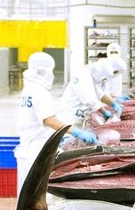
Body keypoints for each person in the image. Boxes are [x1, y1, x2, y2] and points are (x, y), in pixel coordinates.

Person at [15, 52, 90, 190]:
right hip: (36, 152)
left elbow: (39, 120)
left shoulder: (29, 88)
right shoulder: (40, 92)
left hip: (28, 148)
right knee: (34, 194)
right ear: (44, 72)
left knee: (26, 193)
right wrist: (75, 131)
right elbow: (49, 119)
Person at [57, 57, 114, 133]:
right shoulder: (83, 76)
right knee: (69, 137)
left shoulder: (90, 76)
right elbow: (89, 100)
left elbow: (99, 93)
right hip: (70, 117)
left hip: (78, 116)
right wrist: (104, 111)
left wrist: (113, 104)